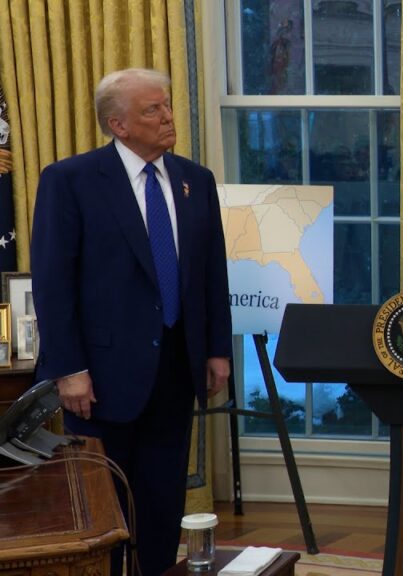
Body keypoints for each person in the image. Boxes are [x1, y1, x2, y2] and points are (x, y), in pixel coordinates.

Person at [31, 68, 233, 576]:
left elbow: (211, 274)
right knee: (107, 505)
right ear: (117, 125)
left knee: (164, 498)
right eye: (153, 110)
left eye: (166, 106)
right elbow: (53, 283)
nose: (168, 117)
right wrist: (68, 368)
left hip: (175, 366)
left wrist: (216, 351)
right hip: (97, 377)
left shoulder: (194, 179)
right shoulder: (70, 181)